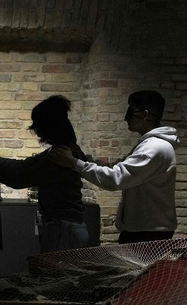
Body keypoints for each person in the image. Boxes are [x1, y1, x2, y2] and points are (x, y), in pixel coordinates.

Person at [49, 90, 178, 244]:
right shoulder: (152, 145)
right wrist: (105, 165)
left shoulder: (153, 148)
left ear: (145, 115)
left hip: (147, 234)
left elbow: (115, 179)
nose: (126, 118)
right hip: (147, 230)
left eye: (131, 111)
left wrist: (75, 164)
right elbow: (128, 170)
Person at [0, 96, 90, 252]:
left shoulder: (61, 154)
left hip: (63, 229)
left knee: (50, 275)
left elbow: (20, 178)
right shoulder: (63, 149)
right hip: (65, 228)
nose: (37, 131)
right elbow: (24, 166)